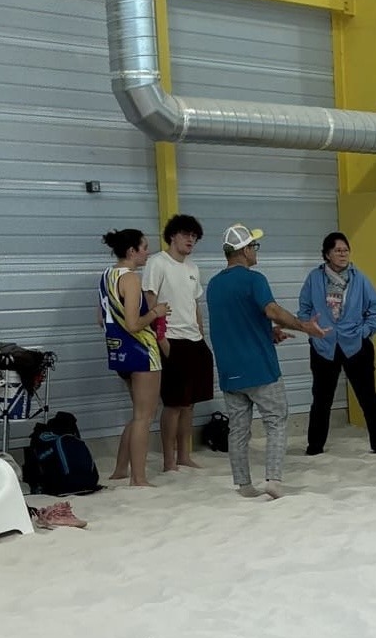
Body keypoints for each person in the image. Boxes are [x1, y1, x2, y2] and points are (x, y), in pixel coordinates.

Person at [204, 224, 326, 499]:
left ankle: (243, 484)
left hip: (229, 370)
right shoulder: (254, 279)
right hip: (260, 367)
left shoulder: (214, 285)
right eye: (254, 246)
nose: (256, 251)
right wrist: (304, 326)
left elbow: (232, 324)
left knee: (238, 429)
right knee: (276, 420)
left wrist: (267, 333)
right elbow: (271, 310)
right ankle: (273, 479)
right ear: (245, 250)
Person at [298, 232, 376, 457]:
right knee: (321, 398)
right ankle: (315, 447)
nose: (343, 254)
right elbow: (304, 308)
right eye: (338, 250)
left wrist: (365, 332)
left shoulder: (359, 278)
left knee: (368, 396)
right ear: (327, 254)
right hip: (323, 346)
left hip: (356, 345)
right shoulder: (314, 278)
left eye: (346, 250)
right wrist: (312, 332)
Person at [145, 213, 213, 474]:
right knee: (173, 404)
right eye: (186, 234)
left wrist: (202, 336)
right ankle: (169, 460)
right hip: (171, 338)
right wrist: (161, 339)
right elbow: (151, 303)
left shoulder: (193, 268)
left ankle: (184, 455)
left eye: (194, 236)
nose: (190, 240)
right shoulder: (157, 263)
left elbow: (195, 305)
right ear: (173, 235)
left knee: (189, 403)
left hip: (194, 339)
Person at [98, 228, 162, 488]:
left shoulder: (106, 276)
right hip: (142, 352)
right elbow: (134, 323)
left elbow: (100, 318)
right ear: (131, 251)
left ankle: (120, 469)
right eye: (144, 247)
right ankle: (139, 478)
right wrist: (155, 312)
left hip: (118, 351)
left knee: (137, 415)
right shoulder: (131, 279)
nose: (148, 252)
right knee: (144, 418)